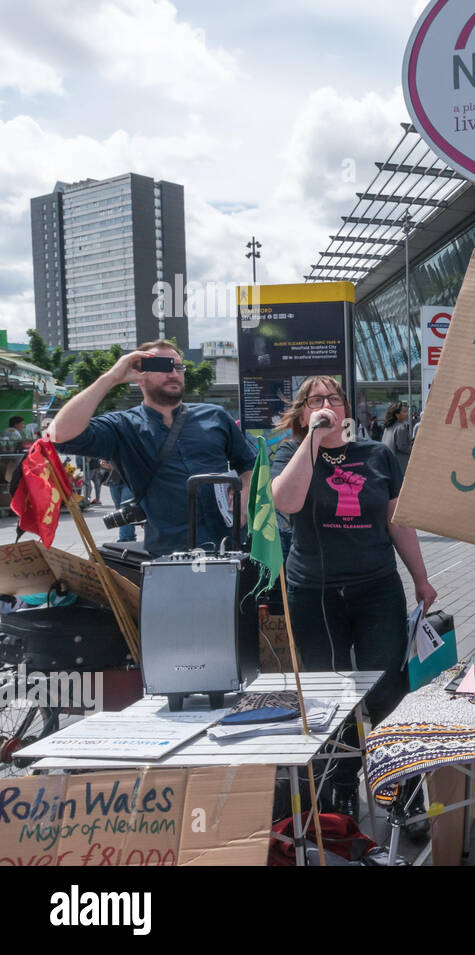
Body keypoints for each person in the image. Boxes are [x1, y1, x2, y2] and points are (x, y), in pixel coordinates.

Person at [269, 375, 438, 817]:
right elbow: (285, 502)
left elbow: (397, 520)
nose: (327, 405)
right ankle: (341, 787)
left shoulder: (377, 455)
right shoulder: (289, 454)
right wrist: (313, 442)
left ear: (347, 408)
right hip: (313, 594)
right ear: (303, 412)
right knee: (332, 697)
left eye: (334, 398)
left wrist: (420, 578)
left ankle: (403, 786)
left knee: (386, 689)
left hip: (376, 587)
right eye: (316, 400)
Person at [51, 340, 255, 555]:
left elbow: (249, 464)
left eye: (178, 367)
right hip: (170, 553)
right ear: (139, 375)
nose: (173, 373)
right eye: (163, 366)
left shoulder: (215, 416)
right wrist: (111, 378)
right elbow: (59, 435)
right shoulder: (122, 426)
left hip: (232, 545)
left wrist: (245, 495)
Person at [101, 459, 136, 543]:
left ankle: (125, 540)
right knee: (119, 512)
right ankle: (129, 538)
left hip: (130, 480)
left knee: (124, 510)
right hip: (114, 480)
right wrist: (103, 461)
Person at [381, 401, 414, 477]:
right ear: (397, 415)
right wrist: (415, 450)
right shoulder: (401, 427)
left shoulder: (388, 427)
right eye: (404, 412)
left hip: (388, 464)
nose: (407, 414)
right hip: (400, 466)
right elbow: (402, 446)